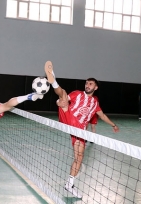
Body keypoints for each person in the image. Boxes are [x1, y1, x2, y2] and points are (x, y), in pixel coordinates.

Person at [44, 61, 119, 198]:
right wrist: (58, 102)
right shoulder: (77, 94)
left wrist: (113, 125)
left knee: (79, 158)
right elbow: (63, 99)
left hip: (79, 131)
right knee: (64, 94)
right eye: (86, 83)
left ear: (95, 87)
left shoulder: (95, 102)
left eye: (90, 84)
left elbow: (102, 115)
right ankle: (53, 79)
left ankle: (70, 183)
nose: (87, 85)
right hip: (69, 117)